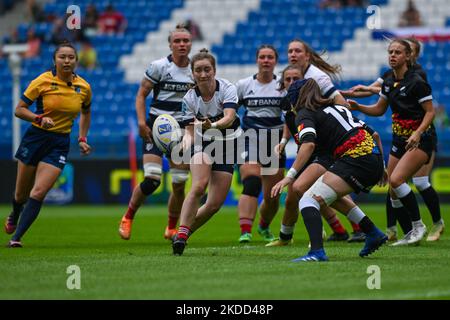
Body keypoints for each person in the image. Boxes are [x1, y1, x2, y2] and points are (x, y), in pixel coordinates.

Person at [271, 78, 387, 261]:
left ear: (294, 98)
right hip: (372, 158)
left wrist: (289, 177)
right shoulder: (337, 107)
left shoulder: (304, 113)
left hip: (356, 159)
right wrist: (383, 166)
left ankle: (316, 252)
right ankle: (373, 232)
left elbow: (308, 144)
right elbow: (375, 134)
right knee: (329, 195)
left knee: (308, 199)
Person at [341, 37, 444, 242]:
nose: (393, 56)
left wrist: (417, 132)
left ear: (408, 56)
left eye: (397, 52)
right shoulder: (388, 81)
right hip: (400, 139)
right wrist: (359, 107)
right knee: (393, 186)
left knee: (398, 180)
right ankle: (407, 233)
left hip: (420, 139)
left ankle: (419, 226)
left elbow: (430, 113)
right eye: (390, 52)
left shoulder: (417, 82)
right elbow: (379, 109)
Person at [267, 39, 366, 247]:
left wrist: (345, 131)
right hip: (309, 145)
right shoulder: (289, 98)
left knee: (314, 188)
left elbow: (340, 102)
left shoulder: (317, 78)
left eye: (297, 51)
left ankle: (360, 229)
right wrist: (284, 140)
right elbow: (290, 121)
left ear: (307, 56)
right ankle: (339, 230)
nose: (293, 54)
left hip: (322, 147)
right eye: (290, 51)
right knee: (302, 192)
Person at [4, 41, 92, 247]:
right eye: (62, 57)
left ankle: (16, 238)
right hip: (36, 137)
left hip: (60, 142)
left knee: (39, 192)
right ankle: (15, 212)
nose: (67, 60)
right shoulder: (42, 81)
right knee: (20, 194)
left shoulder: (84, 87)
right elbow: (19, 109)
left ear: (76, 61)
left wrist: (82, 138)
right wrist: (38, 118)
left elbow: (86, 113)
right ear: (55, 60)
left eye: (71, 57)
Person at [118, 25, 194, 241]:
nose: (182, 44)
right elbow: (141, 95)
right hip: (156, 129)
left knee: (179, 185)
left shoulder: (195, 70)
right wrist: (142, 123)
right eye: (177, 41)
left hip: (181, 132)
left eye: (185, 41)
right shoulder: (159, 67)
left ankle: (171, 227)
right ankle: (128, 216)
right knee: (152, 179)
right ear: (170, 44)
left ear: (190, 43)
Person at [172, 49, 241, 255]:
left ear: (214, 70)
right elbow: (191, 133)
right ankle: (182, 236)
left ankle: (183, 232)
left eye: (207, 70)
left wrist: (214, 125)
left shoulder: (228, 88)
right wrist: (185, 142)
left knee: (214, 205)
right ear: (192, 73)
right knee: (199, 186)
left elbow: (229, 117)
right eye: (199, 70)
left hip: (228, 144)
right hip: (203, 144)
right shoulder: (189, 99)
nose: (203, 74)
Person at [234, 45, 285, 244]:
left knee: (272, 196)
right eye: (262, 57)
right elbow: (230, 111)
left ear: (275, 61)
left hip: (274, 143)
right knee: (252, 182)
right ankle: (245, 231)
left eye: (270, 57)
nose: (266, 60)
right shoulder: (244, 85)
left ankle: (263, 225)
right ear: (257, 60)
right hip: (250, 139)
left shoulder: (282, 85)